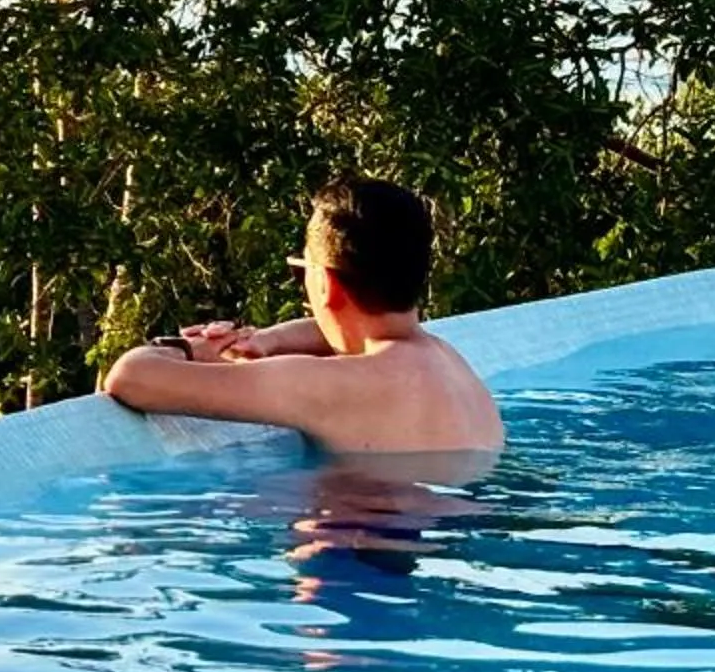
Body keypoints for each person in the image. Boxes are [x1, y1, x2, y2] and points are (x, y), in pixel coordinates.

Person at [99, 177, 503, 461]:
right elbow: (348, 337)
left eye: (302, 270)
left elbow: (132, 379)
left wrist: (188, 347)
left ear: (325, 284)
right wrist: (266, 342)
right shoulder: (444, 358)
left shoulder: (328, 385)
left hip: (360, 554)